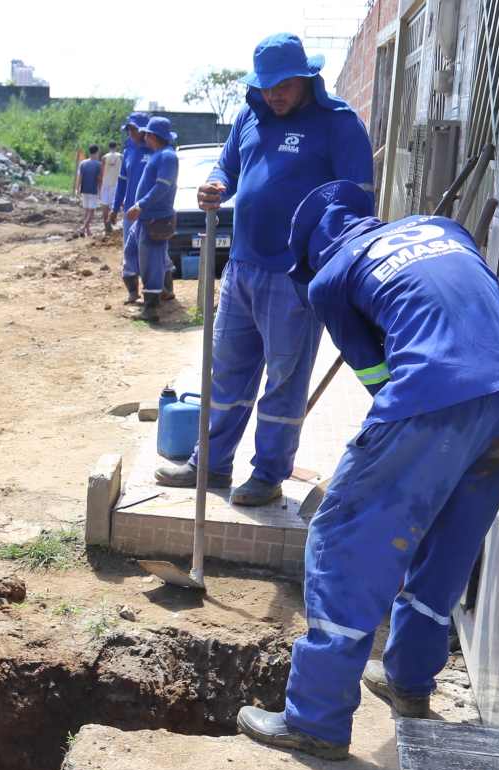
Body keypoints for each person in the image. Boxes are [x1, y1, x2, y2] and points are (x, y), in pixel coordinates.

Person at [237, 180, 499, 760]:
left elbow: (379, 381)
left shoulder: (330, 278)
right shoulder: (441, 227)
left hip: (432, 395)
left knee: (342, 537)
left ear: (311, 253)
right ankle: (409, 681)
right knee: (449, 541)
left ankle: (316, 718)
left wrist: (377, 471)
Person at [154, 33, 374, 506]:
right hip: (241, 268)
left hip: (295, 276)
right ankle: (211, 465)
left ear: (307, 78)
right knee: (226, 373)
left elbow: (357, 201)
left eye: (283, 85)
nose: (274, 94)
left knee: (283, 381)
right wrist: (215, 185)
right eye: (266, 85)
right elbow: (227, 168)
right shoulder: (249, 116)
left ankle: (268, 474)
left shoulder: (339, 124)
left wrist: (332, 269)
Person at [123, 117, 179, 320]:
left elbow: (162, 186)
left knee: (152, 263)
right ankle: (143, 293)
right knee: (131, 253)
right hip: (144, 219)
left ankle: (151, 309)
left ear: (153, 136)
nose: (144, 136)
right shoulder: (159, 154)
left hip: (154, 219)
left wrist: (140, 205)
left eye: (146, 133)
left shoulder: (167, 156)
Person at [113, 112, 151, 305]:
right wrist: (114, 208)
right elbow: (122, 183)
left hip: (151, 211)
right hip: (130, 211)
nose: (131, 133)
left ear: (144, 130)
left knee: (154, 251)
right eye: (129, 129)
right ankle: (133, 291)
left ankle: (160, 291)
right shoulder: (128, 152)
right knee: (130, 251)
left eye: (134, 129)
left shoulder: (156, 151)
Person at [75, 146, 103, 237]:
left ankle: (87, 230)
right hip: (93, 190)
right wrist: (100, 191)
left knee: (86, 210)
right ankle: (83, 228)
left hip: (84, 189)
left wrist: (77, 189)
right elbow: (99, 179)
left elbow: (79, 177)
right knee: (91, 211)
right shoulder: (99, 165)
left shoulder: (83, 163)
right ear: (97, 152)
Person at [99, 144, 122, 234]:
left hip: (105, 183)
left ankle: (106, 225)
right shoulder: (121, 156)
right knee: (113, 205)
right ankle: (111, 222)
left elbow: (101, 172)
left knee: (105, 205)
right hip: (116, 183)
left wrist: (100, 184)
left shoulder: (104, 157)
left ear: (109, 147)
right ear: (116, 147)